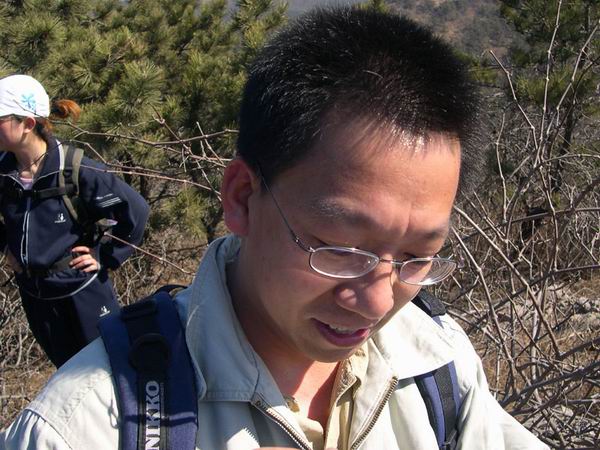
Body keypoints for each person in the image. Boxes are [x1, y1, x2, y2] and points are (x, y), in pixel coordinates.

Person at [1, 7, 549, 449]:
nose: (378, 301)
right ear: (242, 196)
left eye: (418, 257)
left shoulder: (435, 363)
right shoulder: (84, 426)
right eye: (340, 247)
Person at [0, 74, 149, 367]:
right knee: (67, 375)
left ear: (27, 124)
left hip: (82, 292)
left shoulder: (75, 169)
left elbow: (136, 211)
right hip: (36, 295)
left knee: (108, 372)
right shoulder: (4, 173)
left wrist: (105, 256)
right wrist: (6, 246)